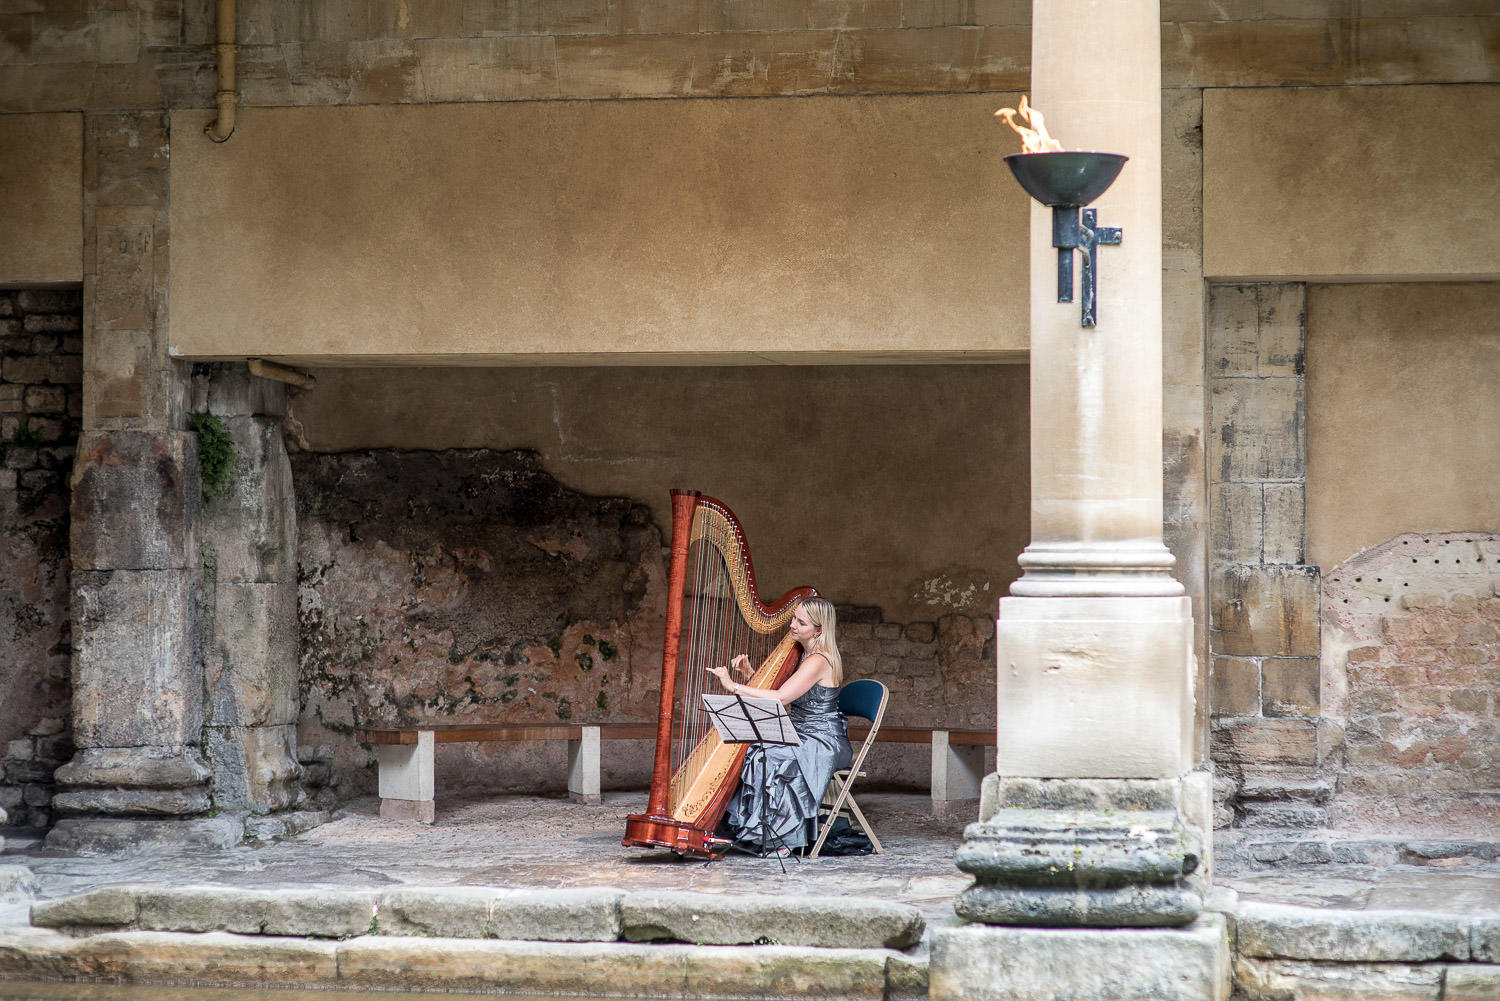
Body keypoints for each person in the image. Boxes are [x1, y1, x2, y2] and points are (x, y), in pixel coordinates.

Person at [707, 596, 854, 857]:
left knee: (774, 756)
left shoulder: (819, 659)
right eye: (793, 619)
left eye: (801, 622)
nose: (793, 626)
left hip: (823, 740)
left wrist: (734, 687)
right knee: (754, 751)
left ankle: (783, 838)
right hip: (800, 732)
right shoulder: (800, 653)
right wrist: (750, 672)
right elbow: (781, 693)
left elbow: (782, 698)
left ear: (818, 630)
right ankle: (757, 831)